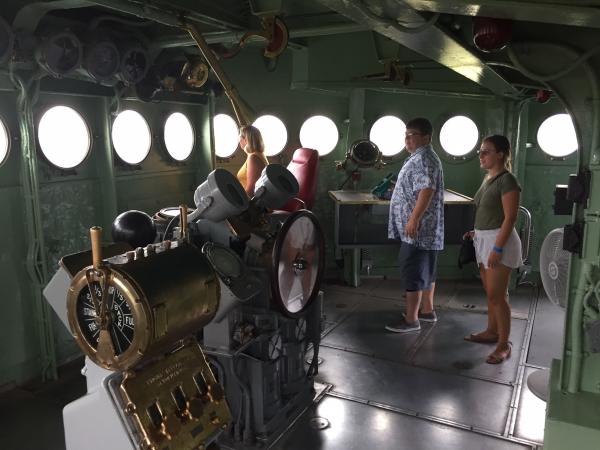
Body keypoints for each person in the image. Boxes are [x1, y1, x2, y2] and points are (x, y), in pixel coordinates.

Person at [463, 135, 522, 364]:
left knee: (498, 296)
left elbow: (510, 218)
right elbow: (488, 212)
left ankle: (503, 344)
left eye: (486, 151)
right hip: (484, 239)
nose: (481, 155)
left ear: (500, 154)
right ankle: (491, 331)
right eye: (480, 151)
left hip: (500, 241)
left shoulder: (508, 180)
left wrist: (497, 247)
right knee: (491, 294)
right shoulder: (489, 178)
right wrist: (476, 232)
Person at [385, 118, 444, 333]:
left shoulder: (423, 159)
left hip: (417, 230)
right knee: (427, 270)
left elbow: (426, 190)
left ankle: (411, 320)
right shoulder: (422, 156)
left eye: (412, 135)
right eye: (406, 135)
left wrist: (413, 219)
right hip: (426, 231)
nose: (407, 139)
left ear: (427, 137)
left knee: (413, 270)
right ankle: (427, 312)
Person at [236, 125, 269, 196]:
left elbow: (252, 190)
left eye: (240, 138)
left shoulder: (253, 157)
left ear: (245, 140)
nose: (239, 141)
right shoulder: (258, 154)